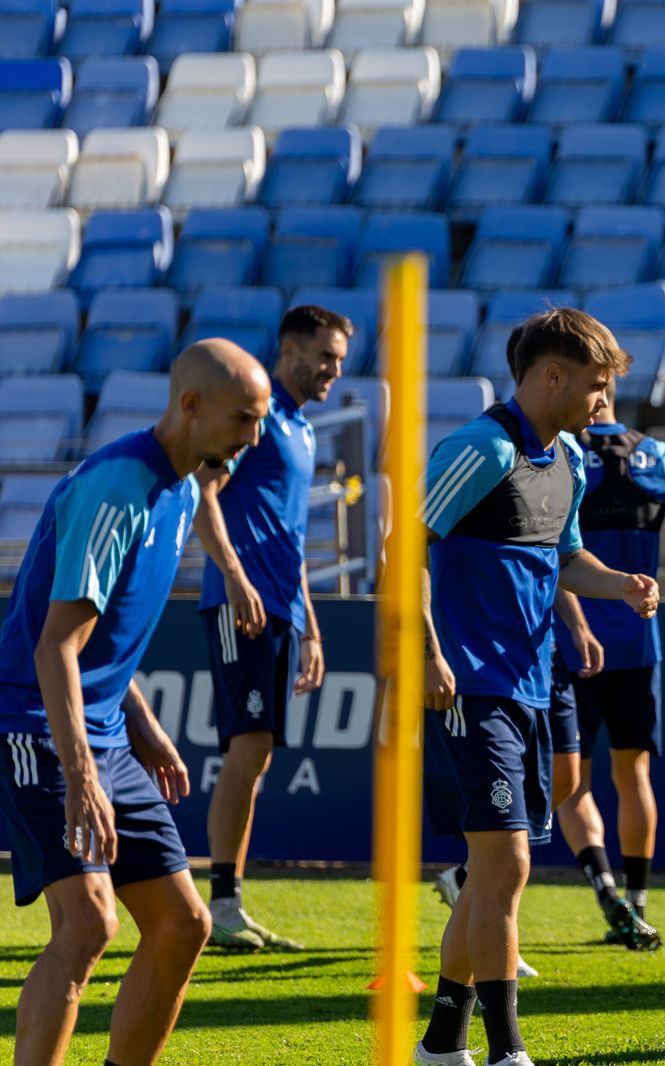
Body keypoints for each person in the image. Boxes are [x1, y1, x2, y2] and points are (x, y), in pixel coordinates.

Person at [0, 339, 272, 1066]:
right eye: (244, 419)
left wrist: (142, 725)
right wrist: (82, 776)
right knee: (89, 924)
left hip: (106, 731)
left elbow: (107, 642)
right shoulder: (119, 489)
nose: (254, 438)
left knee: (184, 924)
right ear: (190, 406)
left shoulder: (183, 487)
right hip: (35, 726)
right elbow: (56, 648)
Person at [414, 309, 660, 1066]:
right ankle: (506, 1050)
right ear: (553, 375)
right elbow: (402, 551)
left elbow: (565, 559)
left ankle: (441, 1044)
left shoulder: (571, 460)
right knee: (507, 866)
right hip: (471, 686)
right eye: (596, 384)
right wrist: (427, 653)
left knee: (492, 874)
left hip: (530, 683)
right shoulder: (481, 448)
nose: (603, 401)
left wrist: (621, 585)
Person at [193, 305, 348, 952]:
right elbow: (201, 494)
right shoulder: (252, 416)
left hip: (281, 609)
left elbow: (291, 539)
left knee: (255, 758)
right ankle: (220, 904)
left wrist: (311, 627)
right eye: (325, 356)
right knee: (249, 746)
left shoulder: (303, 431)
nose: (333, 370)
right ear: (289, 350)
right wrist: (234, 577)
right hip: (241, 606)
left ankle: (230, 902)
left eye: (339, 360)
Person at [547, 378, 665, 951]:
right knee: (634, 775)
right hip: (637, 642)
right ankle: (636, 902)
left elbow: (551, 551)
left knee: (569, 781)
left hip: (570, 643)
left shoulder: (554, 454)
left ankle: (607, 892)